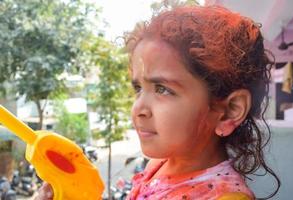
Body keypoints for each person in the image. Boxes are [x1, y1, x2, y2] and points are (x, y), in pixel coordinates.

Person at [35, 5, 280, 200]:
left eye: (162, 89)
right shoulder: (159, 164)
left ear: (229, 111)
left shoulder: (225, 197)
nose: (138, 109)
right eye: (138, 88)